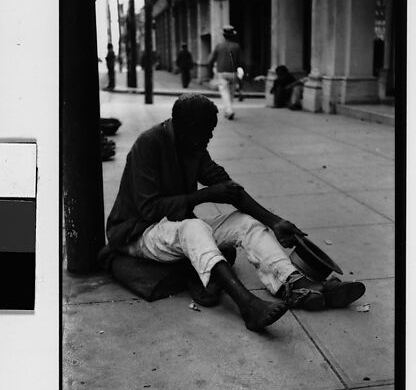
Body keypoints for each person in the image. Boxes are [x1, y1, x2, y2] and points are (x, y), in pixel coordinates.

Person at [106, 93, 365, 332]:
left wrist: (274, 222)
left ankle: (294, 284)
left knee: (245, 223)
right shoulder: (148, 144)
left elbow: (228, 189)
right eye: (205, 133)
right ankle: (248, 305)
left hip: (175, 228)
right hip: (138, 233)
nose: (208, 139)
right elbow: (149, 209)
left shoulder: (192, 144)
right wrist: (205, 195)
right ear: (184, 127)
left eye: (211, 132)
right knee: (193, 228)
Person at [207, 25, 244, 120]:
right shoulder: (237, 46)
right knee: (231, 93)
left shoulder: (219, 46)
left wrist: (209, 72)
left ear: (224, 36)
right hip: (233, 73)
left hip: (222, 72)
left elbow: (210, 60)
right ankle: (228, 111)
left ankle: (229, 111)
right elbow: (241, 62)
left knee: (224, 93)